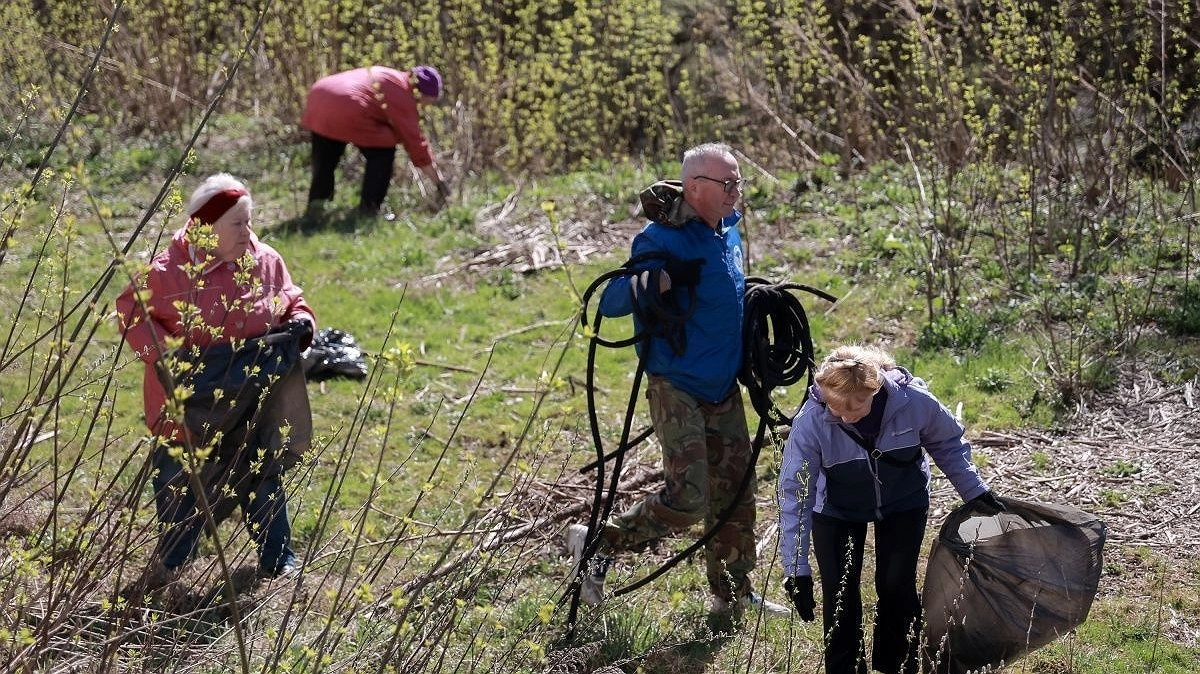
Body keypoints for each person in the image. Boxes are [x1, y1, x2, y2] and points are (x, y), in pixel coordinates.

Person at [565, 142, 790, 618]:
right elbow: (611, 300)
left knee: (735, 491)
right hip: (678, 384)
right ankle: (600, 542)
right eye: (726, 183)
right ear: (693, 187)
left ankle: (732, 592)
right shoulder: (660, 237)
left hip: (723, 385)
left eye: (738, 181)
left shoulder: (728, 230)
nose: (735, 191)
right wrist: (662, 280)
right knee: (688, 499)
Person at [116, 173, 317, 593]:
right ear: (206, 227)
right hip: (187, 406)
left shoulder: (264, 260)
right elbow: (130, 314)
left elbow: (291, 300)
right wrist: (166, 356)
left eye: (249, 221)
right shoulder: (167, 272)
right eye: (238, 223)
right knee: (177, 477)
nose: (248, 231)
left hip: (251, 400)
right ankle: (174, 564)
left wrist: (302, 322)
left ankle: (278, 562)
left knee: (261, 472)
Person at [777, 344, 1007, 674]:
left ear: (876, 389)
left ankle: (898, 666)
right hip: (837, 510)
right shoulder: (811, 421)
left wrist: (974, 491)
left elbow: (948, 442)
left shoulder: (913, 401)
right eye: (836, 408)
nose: (846, 416)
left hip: (904, 501)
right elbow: (796, 494)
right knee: (840, 592)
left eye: (856, 406)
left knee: (896, 585)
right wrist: (796, 569)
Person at [300, 65, 450, 217]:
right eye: (428, 101)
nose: (425, 106)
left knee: (325, 160)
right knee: (384, 149)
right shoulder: (403, 94)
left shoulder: (390, 75)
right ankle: (369, 210)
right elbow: (416, 144)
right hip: (349, 106)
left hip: (319, 98)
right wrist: (439, 182)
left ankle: (316, 208)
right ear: (420, 93)